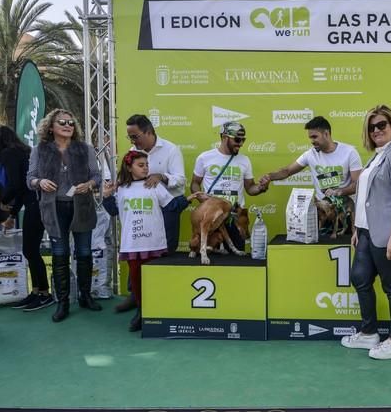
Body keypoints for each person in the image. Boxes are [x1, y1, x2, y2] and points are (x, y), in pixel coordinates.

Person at [340, 104, 391, 360]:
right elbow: (367, 197)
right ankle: (369, 333)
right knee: (360, 278)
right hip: (367, 232)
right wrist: (357, 228)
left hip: (389, 234)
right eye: (372, 126)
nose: (376, 130)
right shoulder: (376, 156)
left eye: (381, 125)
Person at [103, 150, 197, 332]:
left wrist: (189, 199)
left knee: (155, 281)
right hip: (132, 245)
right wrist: (107, 196)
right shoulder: (121, 189)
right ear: (129, 168)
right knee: (137, 283)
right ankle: (141, 312)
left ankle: (158, 313)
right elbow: (114, 212)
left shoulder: (154, 185)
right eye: (140, 165)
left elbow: (172, 207)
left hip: (155, 244)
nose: (145, 168)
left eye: (147, 164)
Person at [27, 109, 102, 323]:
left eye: (71, 122)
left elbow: (97, 176)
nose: (68, 125)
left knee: (85, 251)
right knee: (60, 253)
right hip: (54, 207)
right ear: (50, 127)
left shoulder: (84, 148)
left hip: (81, 206)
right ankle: (63, 302)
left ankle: (85, 296)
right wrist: (39, 182)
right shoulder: (39, 150)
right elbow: (30, 178)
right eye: (62, 122)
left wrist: (89, 184)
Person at [117, 114, 186, 314]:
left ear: (148, 132)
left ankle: (160, 297)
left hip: (167, 208)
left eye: (135, 136)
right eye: (130, 137)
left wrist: (161, 176)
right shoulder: (133, 152)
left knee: (164, 253)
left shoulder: (171, 150)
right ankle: (135, 296)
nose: (132, 141)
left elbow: (181, 180)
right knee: (137, 251)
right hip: (141, 211)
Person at [0, 126, 53, 312]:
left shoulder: (9, 154)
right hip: (33, 204)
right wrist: (12, 213)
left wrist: (1, 202)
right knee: (30, 250)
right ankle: (37, 291)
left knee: (30, 250)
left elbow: (15, 185)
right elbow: (22, 187)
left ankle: (44, 293)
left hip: (36, 205)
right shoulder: (18, 152)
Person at [190, 121, 268, 250]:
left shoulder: (244, 160)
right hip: (213, 217)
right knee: (211, 261)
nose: (241, 144)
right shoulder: (205, 157)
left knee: (237, 262)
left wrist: (261, 187)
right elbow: (194, 183)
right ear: (225, 137)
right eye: (237, 140)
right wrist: (201, 197)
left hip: (234, 218)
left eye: (243, 140)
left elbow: (250, 188)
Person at [260, 116, 362, 199]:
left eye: (315, 137)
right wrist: (269, 177)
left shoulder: (350, 152)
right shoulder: (310, 154)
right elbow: (287, 171)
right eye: (310, 137)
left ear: (326, 134)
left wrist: (338, 192)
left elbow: (357, 184)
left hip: (345, 210)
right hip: (321, 210)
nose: (312, 141)